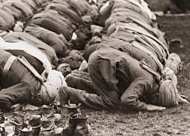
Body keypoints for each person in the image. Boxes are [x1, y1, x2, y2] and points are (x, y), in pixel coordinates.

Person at [58, 47, 186, 111]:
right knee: (112, 102)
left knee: (114, 93)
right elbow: (127, 100)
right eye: (157, 101)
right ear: (157, 95)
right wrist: (147, 106)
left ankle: (76, 80)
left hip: (105, 59)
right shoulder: (147, 82)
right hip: (101, 63)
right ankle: (68, 92)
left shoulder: (154, 79)